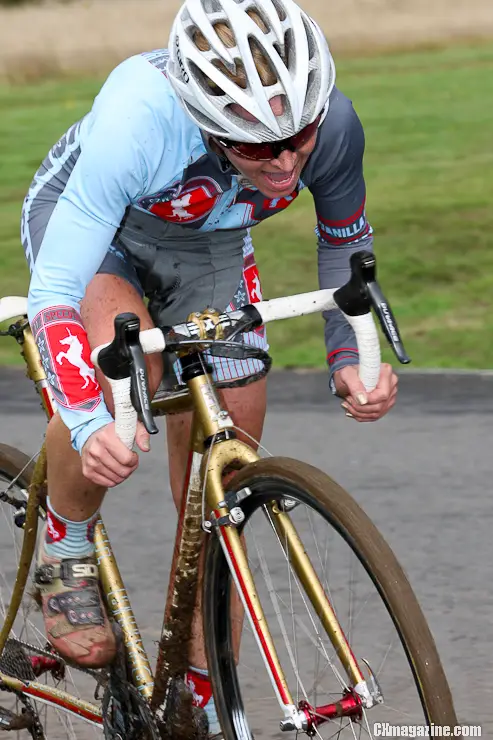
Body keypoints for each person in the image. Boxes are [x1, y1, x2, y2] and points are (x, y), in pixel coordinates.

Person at [21, 0, 398, 734]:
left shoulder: (334, 123)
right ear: (204, 120)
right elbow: (55, 295)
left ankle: (195, 680)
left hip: (208, 245)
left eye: (298, 138)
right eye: (257, 148)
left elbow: (344, 244)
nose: (286, 161)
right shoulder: (137, 122)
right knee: (122, 383)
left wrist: (353, 356)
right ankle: (64, 549)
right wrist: (89, 415)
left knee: (229, 449)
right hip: (101, 236)